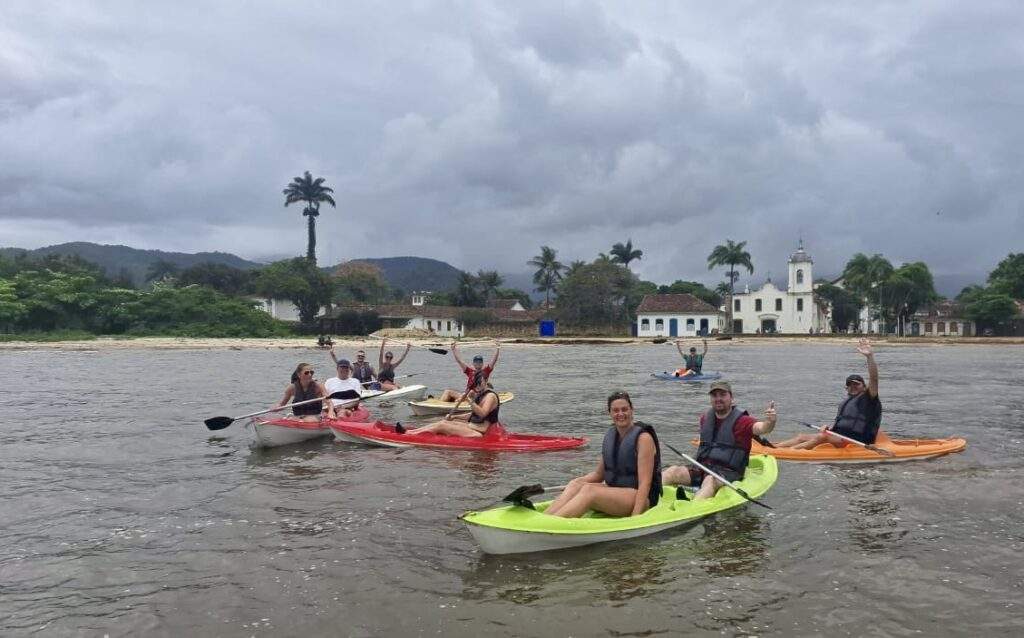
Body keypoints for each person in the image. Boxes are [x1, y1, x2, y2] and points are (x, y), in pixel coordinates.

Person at [544, 391, 661, 518]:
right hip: (617, 492)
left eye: (624, 409)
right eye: (615, 410)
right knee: (576, 485)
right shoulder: (611, 435)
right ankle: (543, 519)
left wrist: (635, 518)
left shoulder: (643, 439)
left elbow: (645, 483)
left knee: (590, 491)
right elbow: (598, 475)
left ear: (632, 410)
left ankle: (551, 524)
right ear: (610, 413)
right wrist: (576, 482)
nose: (620, 414)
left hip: (641, 498)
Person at [662, 381, 777, 500]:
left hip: (728, 472)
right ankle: (650, 500)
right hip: (703, 467)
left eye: (722, 395)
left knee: (710, 480)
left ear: (731, 398)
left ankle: (692, 508)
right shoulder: (705, 418)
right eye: (714, 395)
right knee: (672, 471)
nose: (718, 399)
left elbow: (762, 428)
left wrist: (770, 421)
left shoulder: (743, 421)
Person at [774, 339, 881, 449]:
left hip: (858, 440)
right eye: (850, 385)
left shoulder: (869, 398)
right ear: (846, 388)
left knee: (821, 438)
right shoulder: (846, 402)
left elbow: (874, 379)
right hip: (840, 436)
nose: (853, 387)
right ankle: (774, 448)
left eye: (856, 384)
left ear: (864, 386)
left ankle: (790, 452)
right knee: (802, 437)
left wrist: (869, 357)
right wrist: (829, 429)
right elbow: (841, 422)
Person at [405, 371, 501, 438]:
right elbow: (472, 415)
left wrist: (469, 400)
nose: (478, 386)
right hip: (473, 427)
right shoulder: (481, 394)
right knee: (444, 422)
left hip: (480, 432)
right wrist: (455, 417)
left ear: (486, 380)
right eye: (476, 383)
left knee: (441, 426)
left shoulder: (490, 396)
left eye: (480, 382)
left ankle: (409, 434)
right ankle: (412, 431)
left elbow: (483, 413)